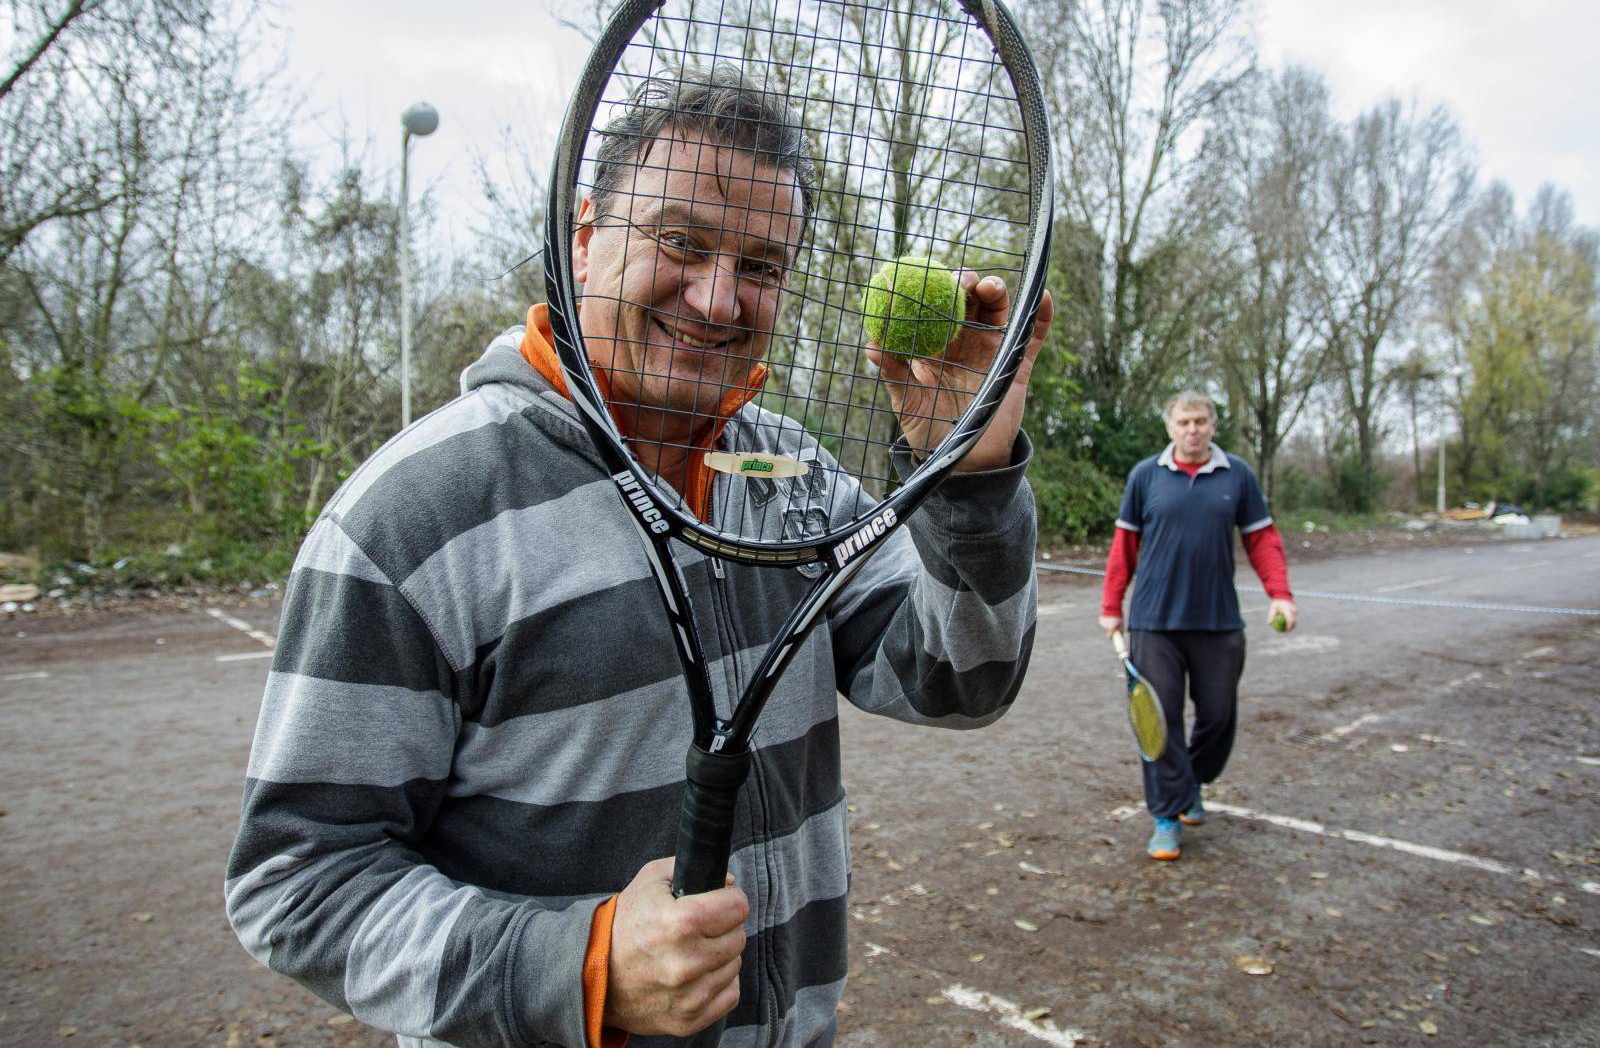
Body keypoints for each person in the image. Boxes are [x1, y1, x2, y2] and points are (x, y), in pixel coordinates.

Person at [226, 66, 1052, 1048]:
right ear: (583, 243)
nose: (716, 299)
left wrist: (971, 468)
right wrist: (581, 970)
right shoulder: (414, 515)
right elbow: (299, 877)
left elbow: (963, 678)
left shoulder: (793, 478)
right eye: (681, 242)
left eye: (760, 264)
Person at [1098, 391, 1296, 861]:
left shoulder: (1238, 476)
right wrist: (1111, 604)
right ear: (1170, 427)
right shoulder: (1146, 476)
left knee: (1219, 716)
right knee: (1159, 721)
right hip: (1154, 622)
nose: (1193, 429)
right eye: (1184, 422)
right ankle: (1167, 816)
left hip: (1218, 621)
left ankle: (1192, 781)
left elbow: (1262, 540)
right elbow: (1123, 545)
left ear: (1212, 425)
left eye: (1201, 421)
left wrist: (1280, 594)